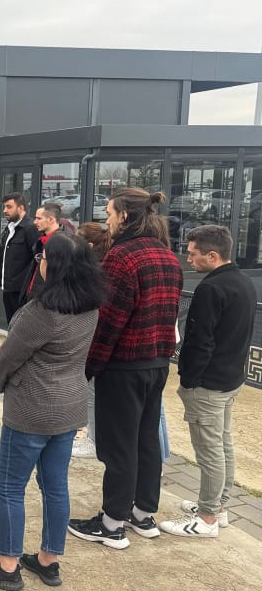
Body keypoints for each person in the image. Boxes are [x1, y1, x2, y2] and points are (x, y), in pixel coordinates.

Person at [0, 233, 104, 591]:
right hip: (69, 406)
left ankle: (8, 565)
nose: (38, 261)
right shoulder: (90, 307)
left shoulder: (41, 313)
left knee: (10, 486)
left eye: (42, 257)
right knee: (55, 485)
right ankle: (48, 560)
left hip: (32, 409)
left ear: (52, 265)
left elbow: (7, 358)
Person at [69, 188, 182, 550]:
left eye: (109, 213)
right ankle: (143, 513)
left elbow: (108, 321)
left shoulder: (122, 257)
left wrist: (89, 366)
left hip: (124, 366)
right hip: (157, 363)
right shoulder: (168, 255)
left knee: (119, 446)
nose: (107, 220)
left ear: (125, 216)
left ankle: (112, 523)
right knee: (146, 440)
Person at [160, 225, 256, 538]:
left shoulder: (210, 289)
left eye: (192, 254)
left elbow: (200, 341)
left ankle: (207, 518)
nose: (188, 259)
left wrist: (189, 380)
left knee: (210, 452)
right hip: (230, 378)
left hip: (209, 384)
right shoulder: (243, 282)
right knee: (222, 445)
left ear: (212, 255)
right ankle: (217, 506)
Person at [71, 222, 112, 459]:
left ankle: (91, 439)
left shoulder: (96, 272)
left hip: (93, 338)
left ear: (88, 245)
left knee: (91, 390)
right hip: (93, 337)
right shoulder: (98, 269)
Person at [0, 193, 38, 323]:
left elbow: (37, 259)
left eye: (9, 207)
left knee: (21, 327)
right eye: (4, 207)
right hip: (7, 288)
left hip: (21, 291)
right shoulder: (9, 228)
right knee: (11, 325)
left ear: (21, 208)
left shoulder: (30, 228)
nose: (5, 210)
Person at [20, 203, 63, 305]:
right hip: (34, 298)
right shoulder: (42, 240)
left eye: (39, 218)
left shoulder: (62, 243)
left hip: (45, 302)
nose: (35, 222)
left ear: (51, 219)